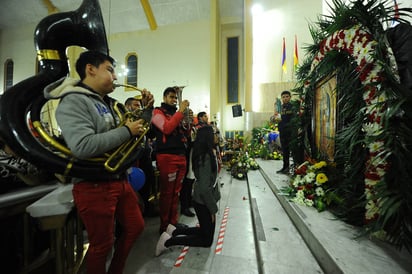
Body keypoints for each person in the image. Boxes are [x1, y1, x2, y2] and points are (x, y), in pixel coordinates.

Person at [44, 50, 151, 274]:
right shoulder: (73, 100)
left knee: (135, 226)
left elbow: (122, 133)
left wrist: (146, 111)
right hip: (93, 184)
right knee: (102, 245)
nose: (115, 77)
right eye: (110, 70)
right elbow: (83, 146)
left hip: (117, 178)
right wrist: (126, 131)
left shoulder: (106, 103)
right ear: (90, 69)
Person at [155, 126, 221, 256]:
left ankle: (173, 231)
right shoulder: (205, 157)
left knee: (205, 232)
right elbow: (203, 187)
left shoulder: (206, 153)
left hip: (205, 199)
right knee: (206, 240)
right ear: (207, 136)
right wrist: (212, 209)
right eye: (214, 133)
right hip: (203, 201)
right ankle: (168, 241)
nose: (217, 135)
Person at [151, 86, 191, 234]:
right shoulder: (157, 112)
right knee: (167, 193)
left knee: (176, 193)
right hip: (167, 157)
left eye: (176, 97)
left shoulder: (176, 113)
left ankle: (173, 223)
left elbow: (185, 133)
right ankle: (164, 226)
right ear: (164, 98)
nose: (174, 100)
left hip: (181, 156)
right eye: (171, 97)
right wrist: (181, 111)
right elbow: (167, 129)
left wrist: (187, 119)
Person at [124, 96, 158, 217]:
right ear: (128, 107)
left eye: (139, 105)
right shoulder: (126, 121)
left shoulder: (142, 121)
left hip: (145, 157)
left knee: (148, 184)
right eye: (135, 105)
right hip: (132, 160)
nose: (138, 108)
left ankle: (146, 209)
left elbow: (152, 134)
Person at [276, 90, 303, 174]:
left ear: (290, 97)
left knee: (294, 151)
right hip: (282, 131)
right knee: (285, 150)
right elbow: (275, 118)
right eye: (283, 97)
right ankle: (285, 167)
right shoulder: (279, 108)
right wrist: (273, 118)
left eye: (287, 96)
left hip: (291, 132)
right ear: (281, 98)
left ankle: (296, 168)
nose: (285, 98)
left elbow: (298, 118)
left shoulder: (294, 106)